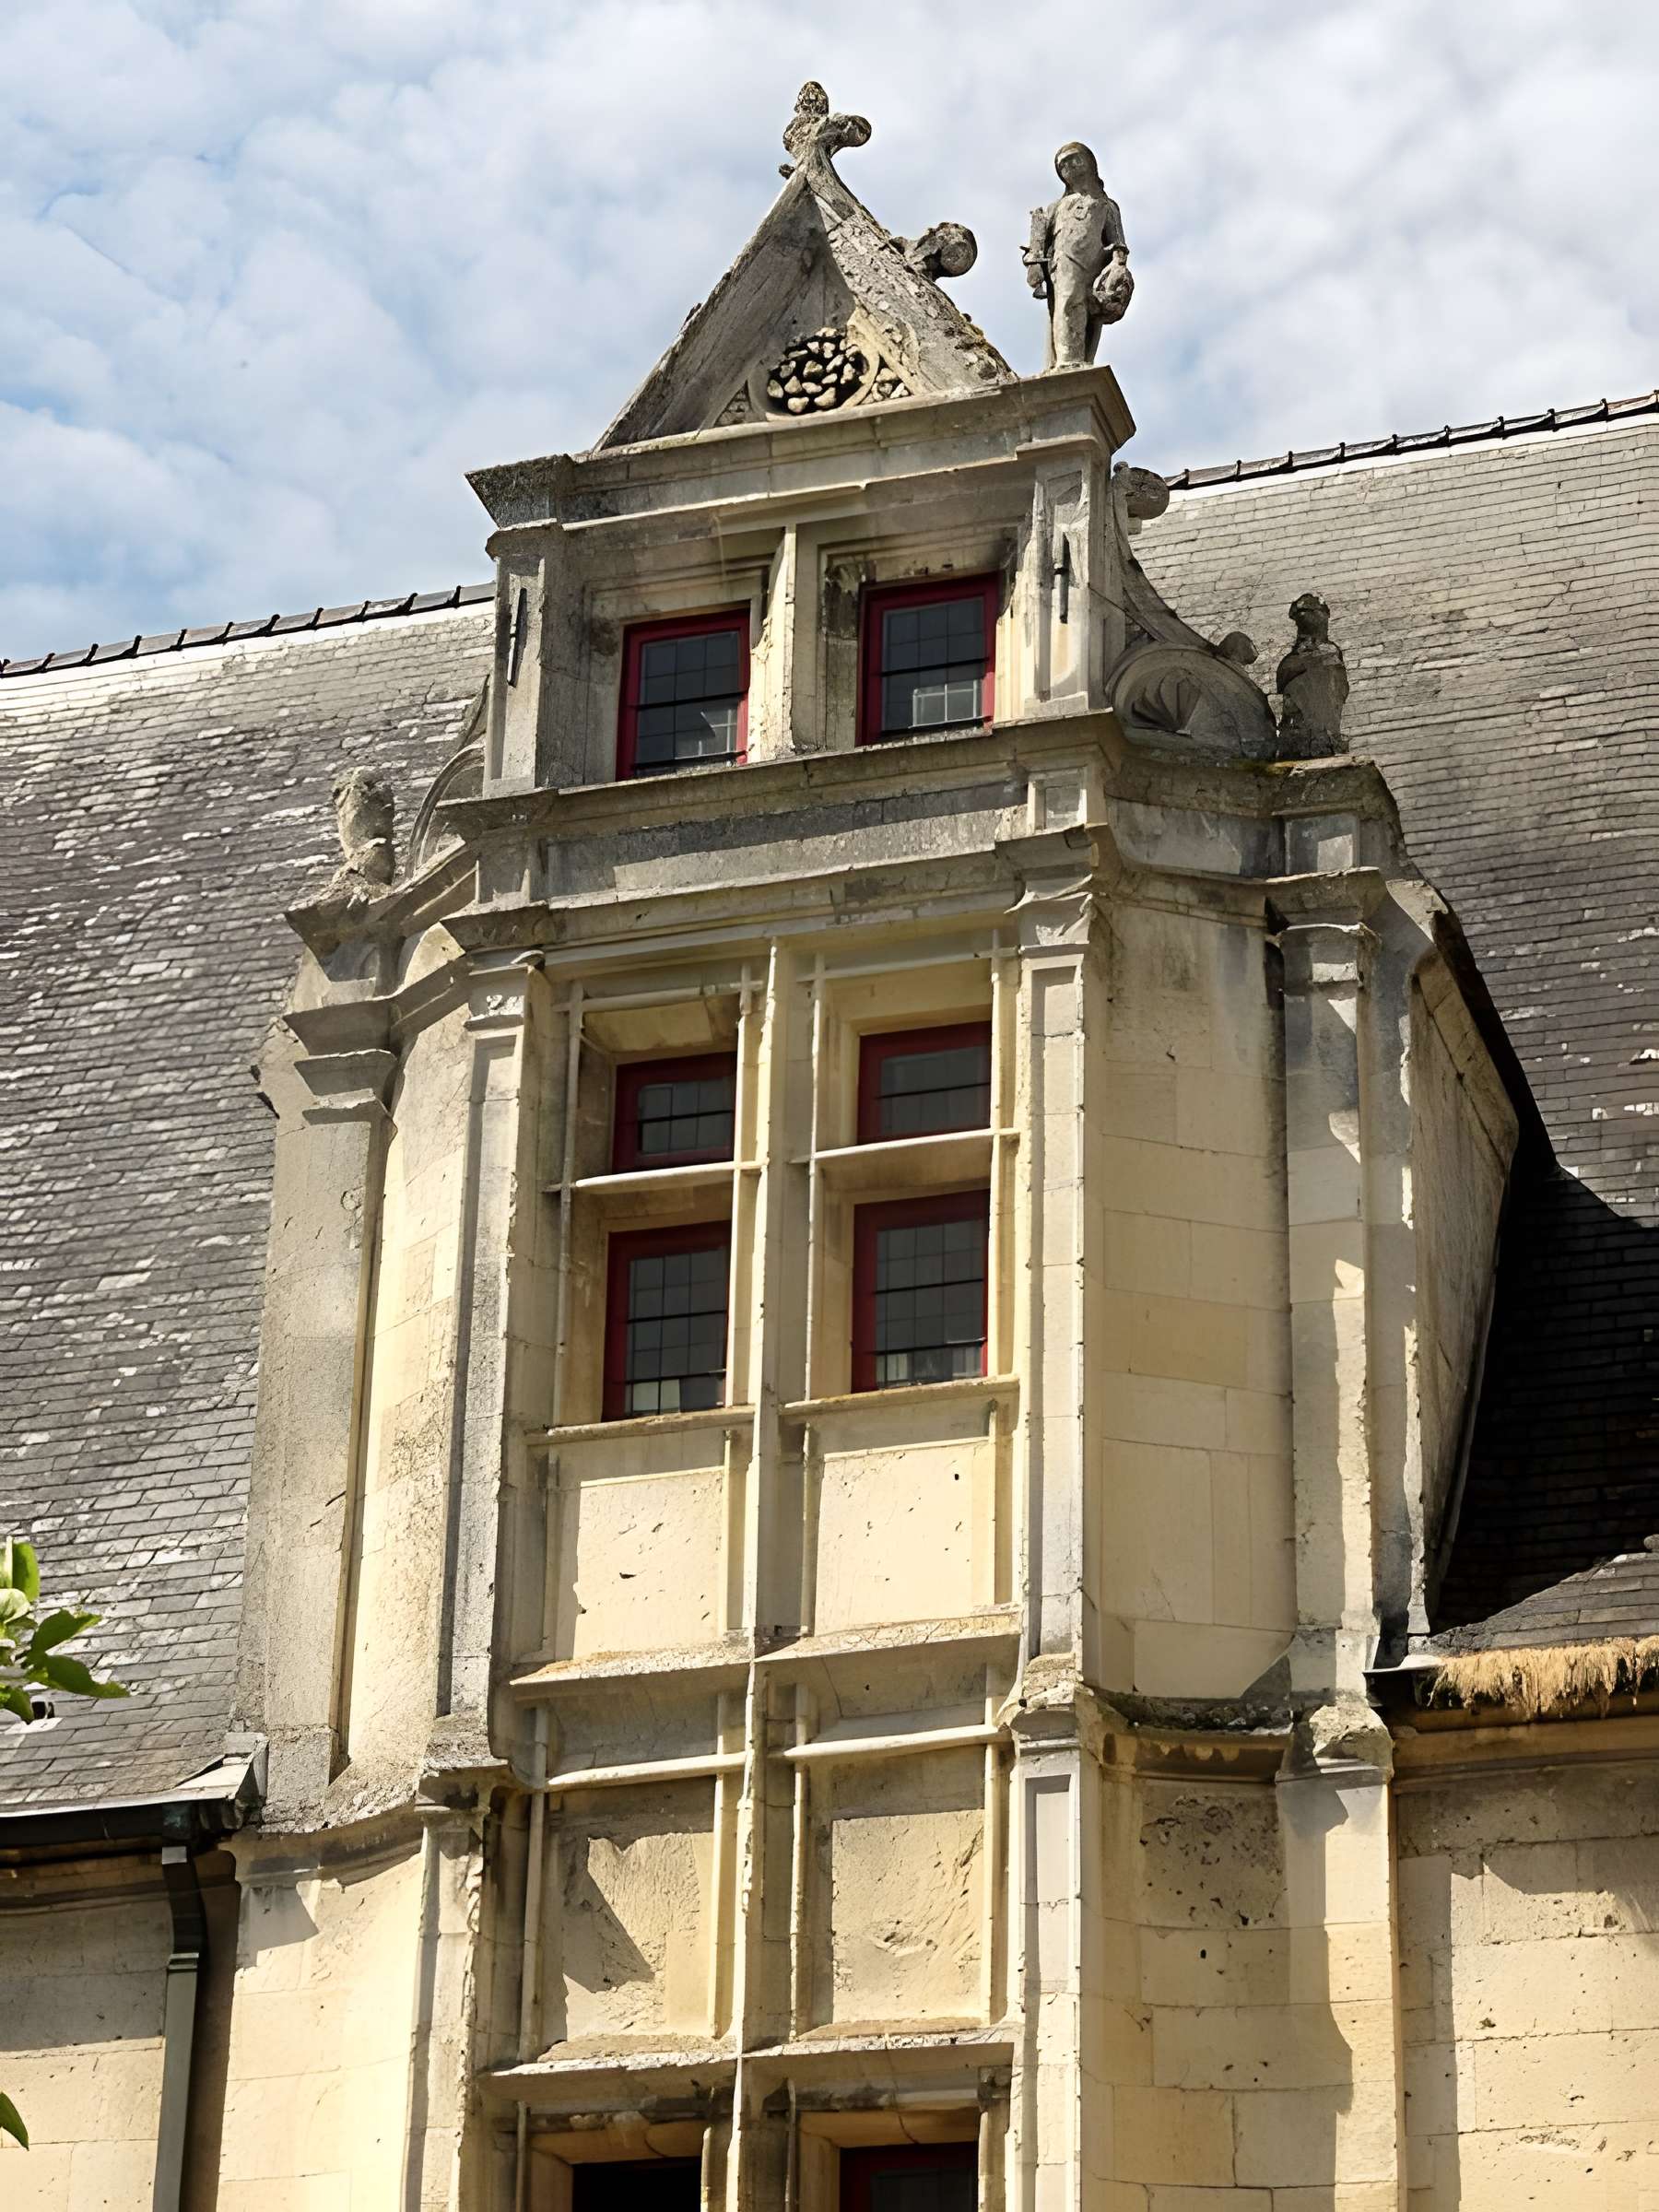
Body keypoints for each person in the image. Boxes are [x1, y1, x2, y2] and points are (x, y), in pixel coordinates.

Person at [1023, 142, 1133, 370]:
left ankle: (1078, 359)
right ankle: (1066, 361)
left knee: (1089, 314)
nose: (1068, 165)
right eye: (1062, 164)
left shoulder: (1106, 205)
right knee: (1067, 303)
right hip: (1062, 263)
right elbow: (1039, 242)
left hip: (1094, 265)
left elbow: (1117, 243)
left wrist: (1117, 265)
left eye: (1074, 158)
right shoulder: (1057, 207)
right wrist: (1034, 265)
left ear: (1090, 163)